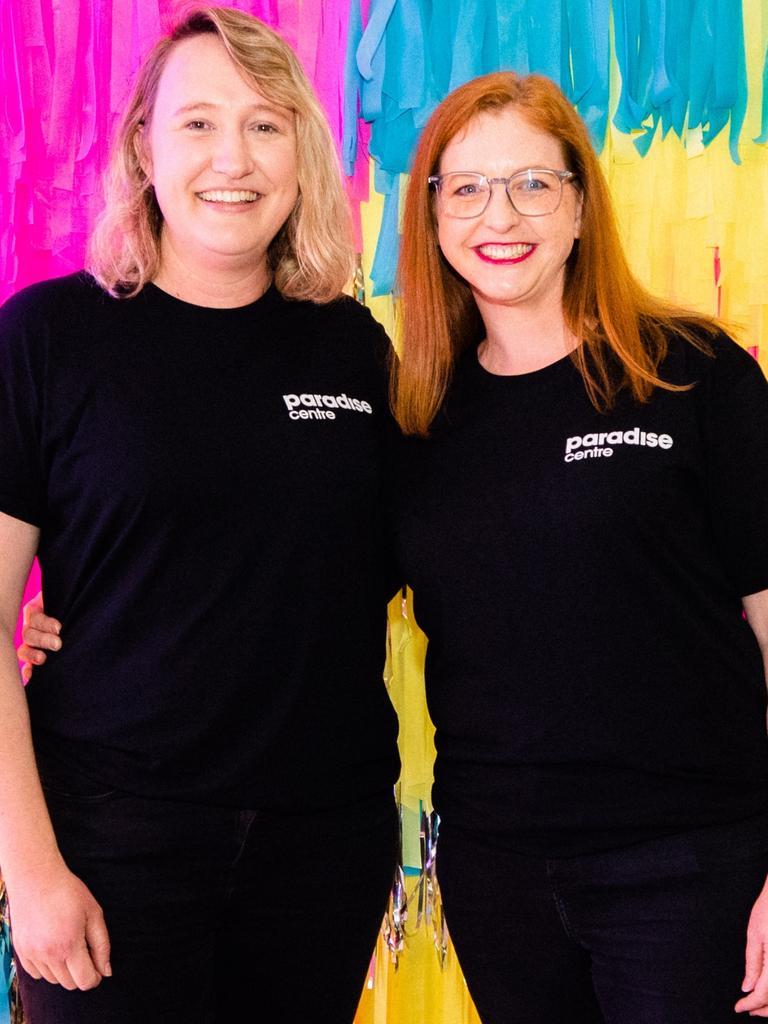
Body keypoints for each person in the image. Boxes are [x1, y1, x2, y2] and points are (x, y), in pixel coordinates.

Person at [0, 8, 399, 1023]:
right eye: (198, 124)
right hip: (111, 842)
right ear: (142, 145)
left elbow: (423, 557)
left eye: (266, 125)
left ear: (301, 154)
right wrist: (32, 872)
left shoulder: (353, 350)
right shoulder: (49, 339)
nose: (235, 157)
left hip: (323, 852)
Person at [387, 72, 768, 1023]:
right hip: (499, 874)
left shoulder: (694, 372)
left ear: (581, 205)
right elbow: (284, 581)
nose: (498, 213)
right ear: (432, 215)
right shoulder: (417, 419)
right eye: (465, 187)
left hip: (686, 867)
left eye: (531, 183)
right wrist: (76, 626)